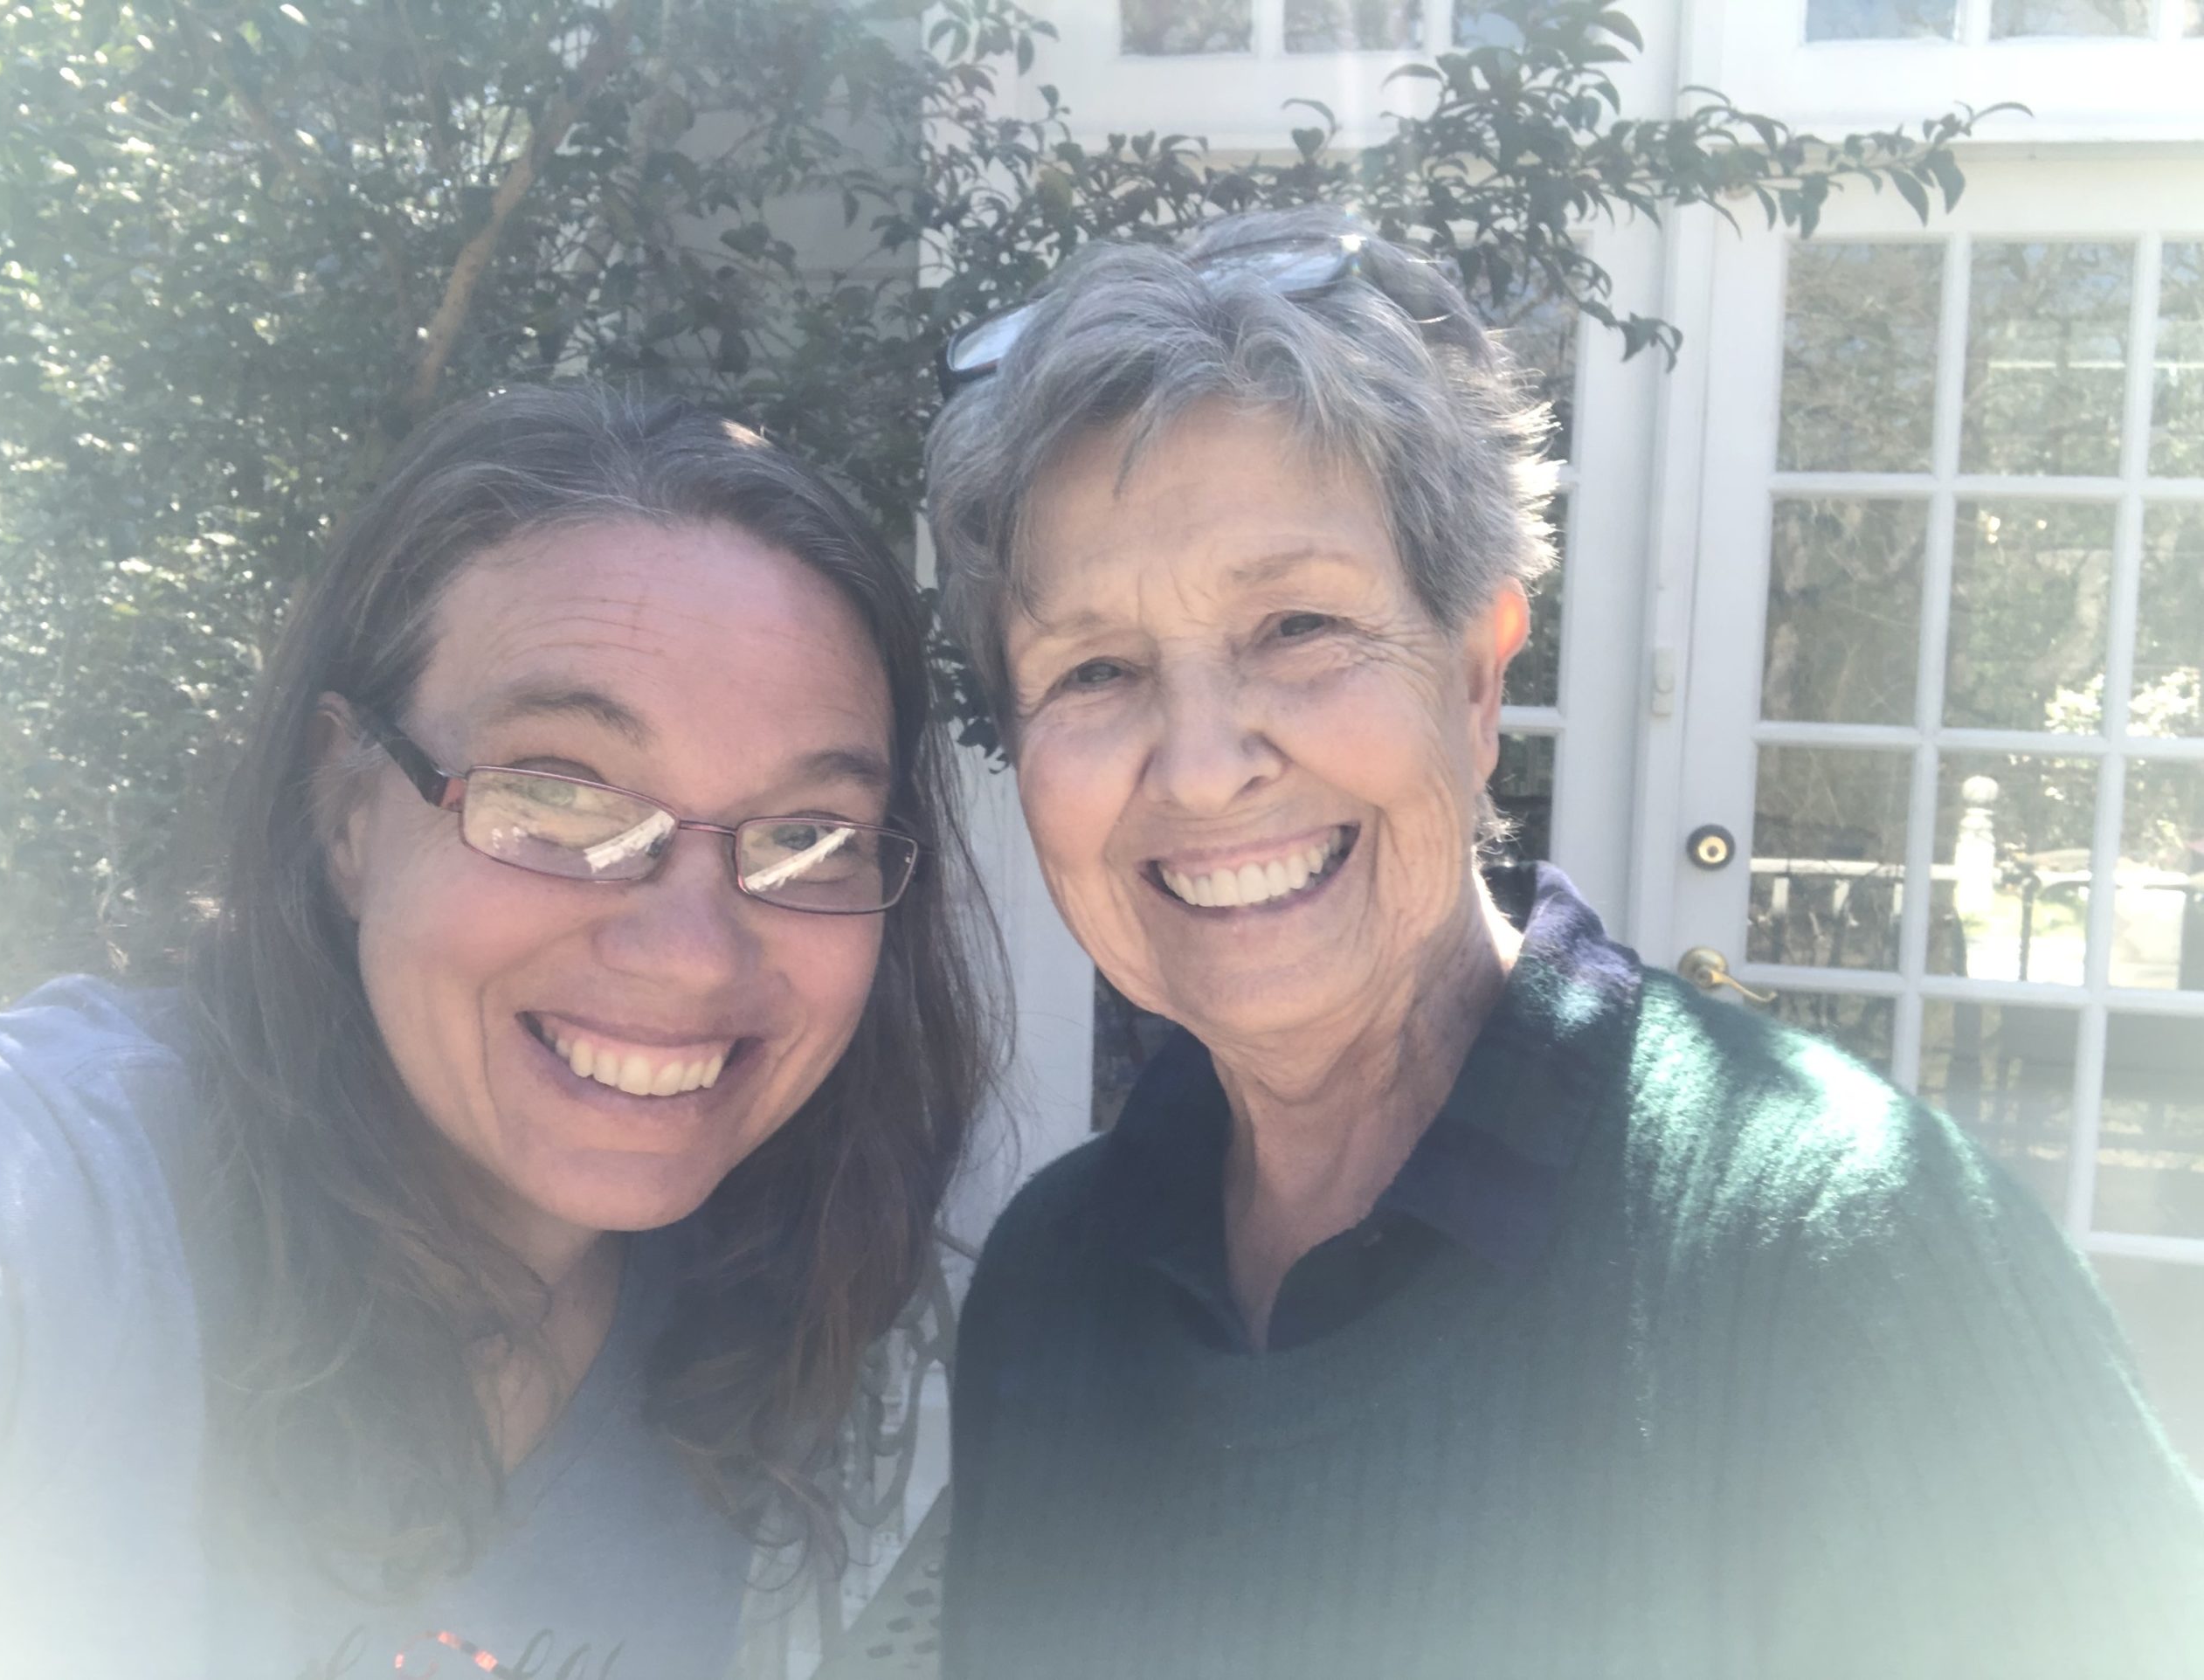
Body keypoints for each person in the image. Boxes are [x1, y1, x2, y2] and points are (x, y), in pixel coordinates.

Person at [923, 206, 2204, 1678]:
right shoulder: (1050, 1282)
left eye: (1297, 627)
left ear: (1478, 680)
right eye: (1095, 669)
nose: (1204, 770)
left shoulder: (1850, 1260)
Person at [0, 384, 1000, 1679]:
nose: (692, 952)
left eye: (807, 836)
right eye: (558, 798)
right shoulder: (55, 1211)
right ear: (348, 809)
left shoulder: (782, 1330)